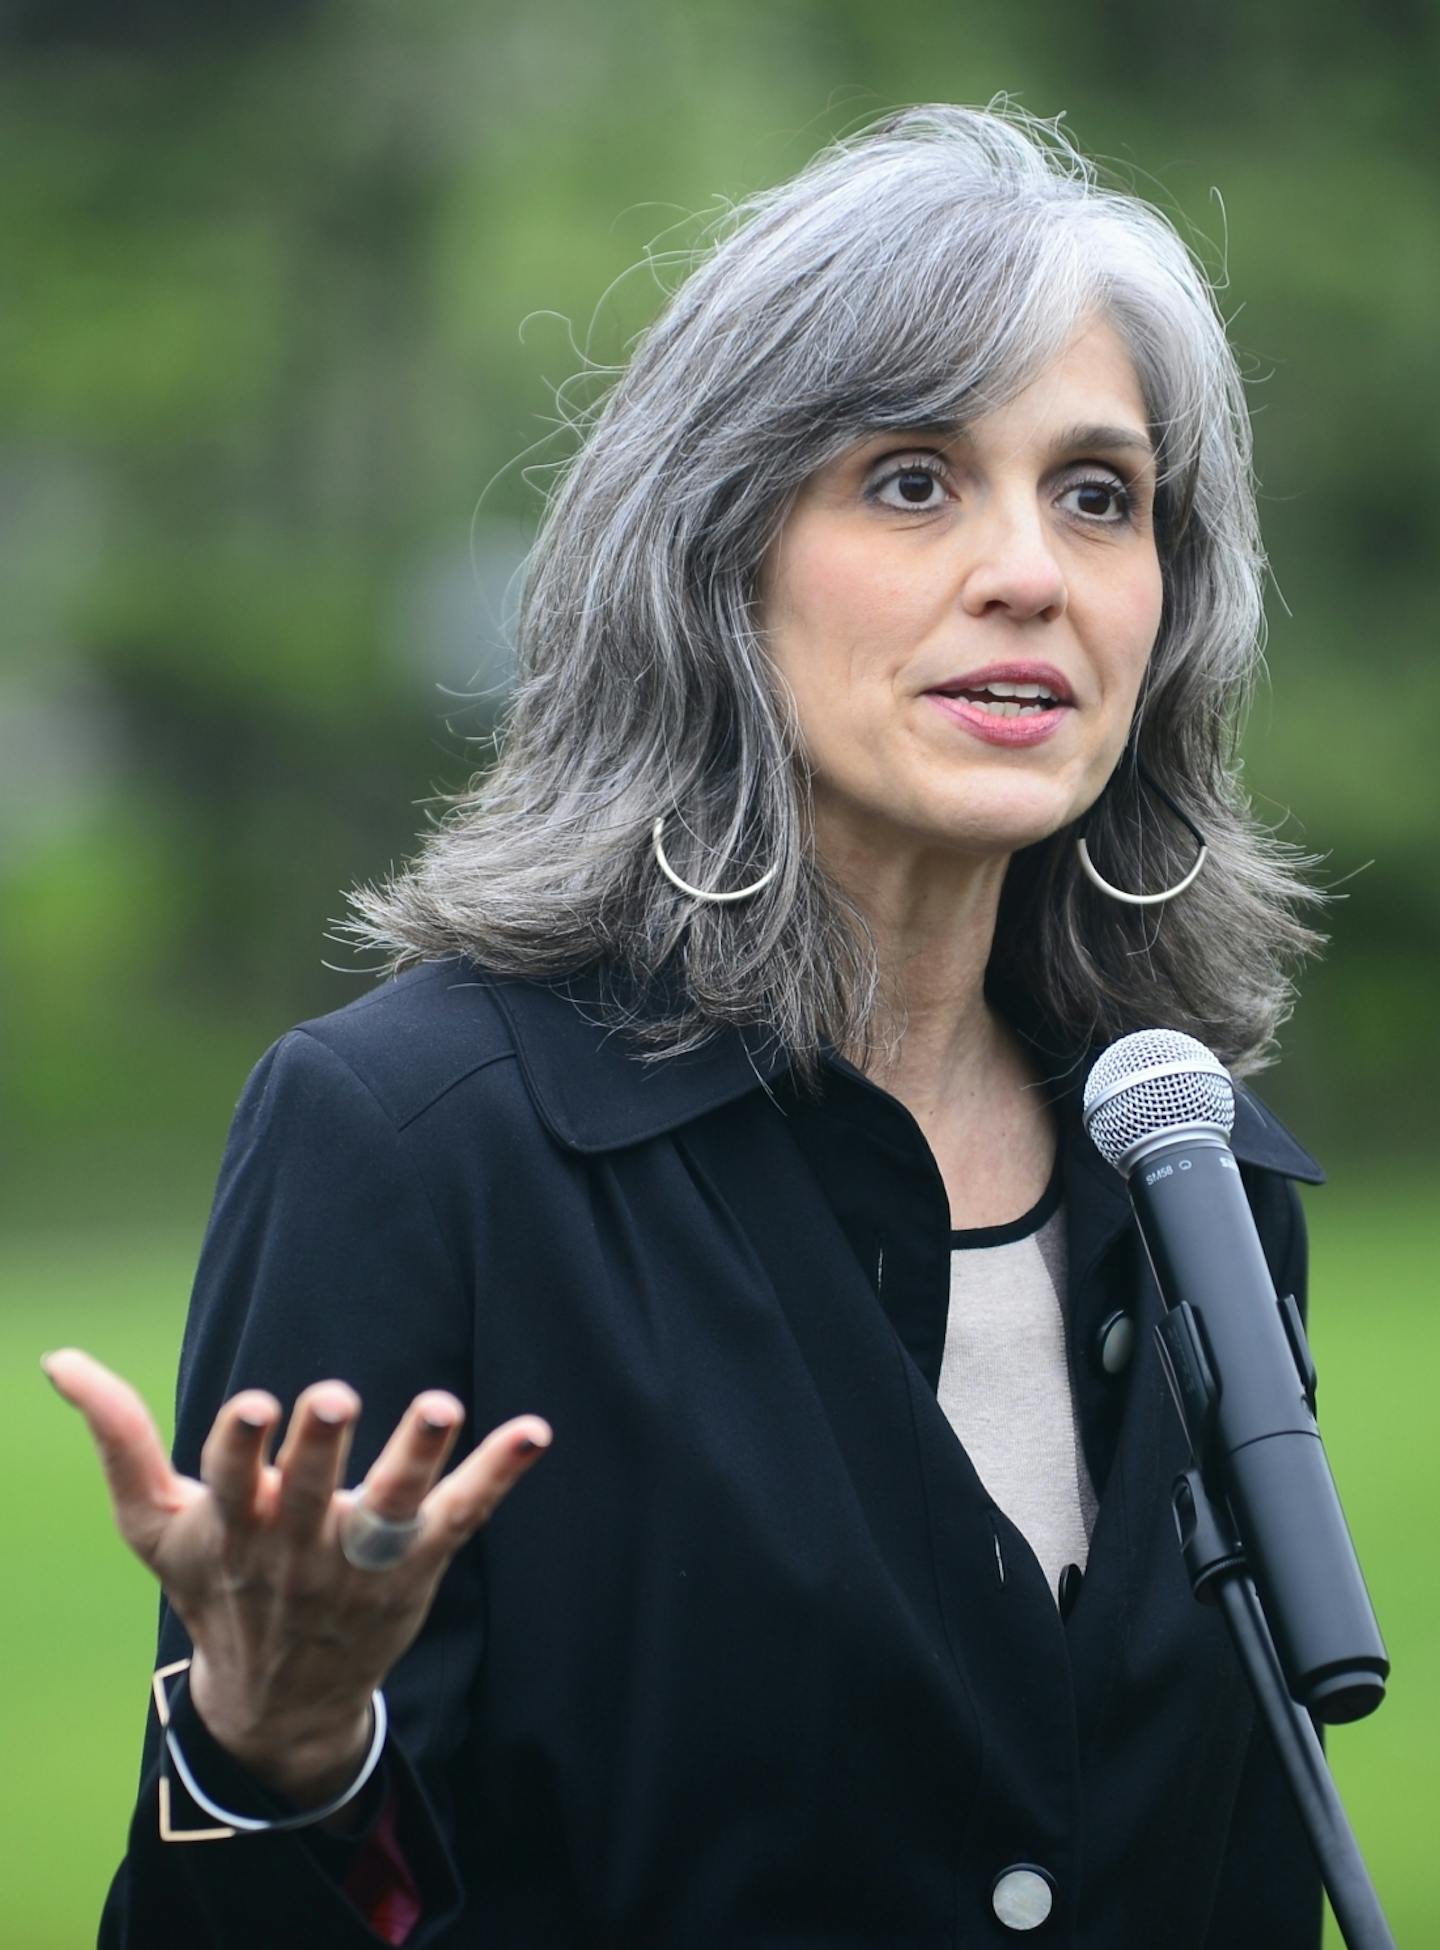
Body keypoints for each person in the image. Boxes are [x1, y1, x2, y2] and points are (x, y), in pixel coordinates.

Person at [47, 105, 1328, 1948]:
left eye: (1099, 492)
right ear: (712, 560)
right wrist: (271, 1748)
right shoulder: (422, 1145)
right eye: (912, 480)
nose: (1031, 569)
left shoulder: (1194, 1171)